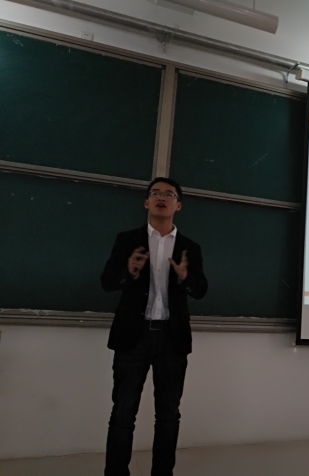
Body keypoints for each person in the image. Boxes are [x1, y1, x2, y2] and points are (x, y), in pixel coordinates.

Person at [100, 177, 208, 476]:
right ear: (147, 202)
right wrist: (129, 271)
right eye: (156, 193)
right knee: (123, 414)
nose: (162, 197)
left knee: (169, 415)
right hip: (132, 337)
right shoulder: (127, 240)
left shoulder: (190, 247)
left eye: (169, 194)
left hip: (172, 339)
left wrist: (185, 278)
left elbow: (201, 289)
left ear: (178, 205)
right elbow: (107, 282)